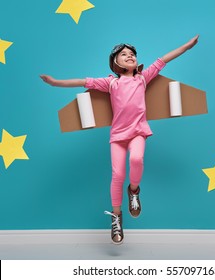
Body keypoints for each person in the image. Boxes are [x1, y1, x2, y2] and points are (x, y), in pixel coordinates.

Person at [40, 35, 199, 245]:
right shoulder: (111, 83)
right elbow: (82, 81)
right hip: (118, 136)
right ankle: (117, 217)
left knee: (136, 160)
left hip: (138, 131)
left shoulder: (143, 78)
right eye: (124, 54)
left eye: (132, 54)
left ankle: (134, 190)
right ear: (116, 63)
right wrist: (55, 82)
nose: (129, 56)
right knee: (117, 174)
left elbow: (164, 59)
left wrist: (186, 47)